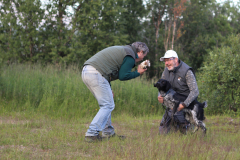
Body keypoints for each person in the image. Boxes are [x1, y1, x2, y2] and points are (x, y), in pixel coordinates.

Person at [82, 42, 149, 142]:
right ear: (140, 52)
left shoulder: (124, 50)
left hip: (87, 71)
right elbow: (123, 76)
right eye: (144, 55)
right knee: (108, 105)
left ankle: (108, 133)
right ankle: (91, 134)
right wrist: (137, 73)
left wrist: (109, 88)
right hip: (96, 73)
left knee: (107, 104)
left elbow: (108, 69)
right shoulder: (130, 55)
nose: (143, 58)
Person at [157, 50, 201, 134]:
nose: (166, 63)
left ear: (176, 59)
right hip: (173, 104)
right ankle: (175, 123)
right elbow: (161, 86)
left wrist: (184, 104)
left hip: (186, 105)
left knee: (185, 134)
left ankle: (188, 125)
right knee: (162, 132)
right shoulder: (166, 71)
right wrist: (160, 96)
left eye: (168, 60)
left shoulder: (187, 71)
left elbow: (195, 91)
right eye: (165, 61)